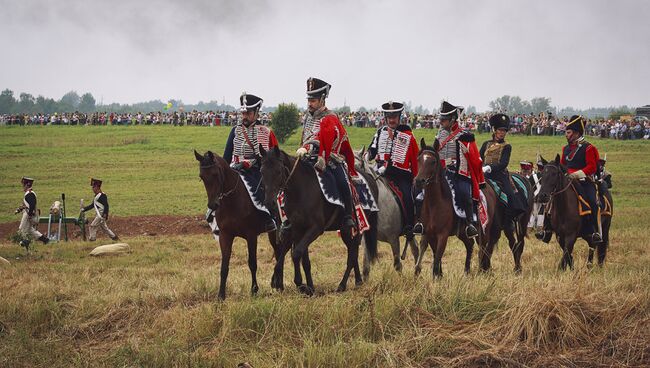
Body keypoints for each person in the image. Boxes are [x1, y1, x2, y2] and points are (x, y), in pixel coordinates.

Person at [294, 77, 360, 231]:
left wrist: (308, 147)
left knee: (343, 181)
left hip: (329, 158)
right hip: (307, 158)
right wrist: (303, 149)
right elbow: (306, 135)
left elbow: (322, 138)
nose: (310, 103)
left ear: (322, 100)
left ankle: (348, 216)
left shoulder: (330, 117)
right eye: (309, 100)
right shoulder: (309, 118)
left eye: (314, 100)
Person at [222, 92, 279, 233]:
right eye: (243, 113)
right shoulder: (235, 131)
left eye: (248, 113)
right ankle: (216, 220)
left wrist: (249, 163)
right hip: (234, 169)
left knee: (258, 191)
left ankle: (268, 219)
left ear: (256, 113)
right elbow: (226, 156)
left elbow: (270, 160)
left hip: (255, 171)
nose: (244, 116)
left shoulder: (265, 132)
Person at [367, 101, 419, 240]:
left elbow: (414, 157)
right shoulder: (380, 132)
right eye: (389, 117)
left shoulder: (406, 134)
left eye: (394, 117)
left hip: (399, 174)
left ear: (399, 117)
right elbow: (372, 149)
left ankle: (409, 226)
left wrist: (415, 175)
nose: (391, 120)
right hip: (378, 170)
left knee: (408, 196)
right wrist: (368, 155)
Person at [435, 101, 485, 238]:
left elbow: (474, 158)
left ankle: (470, 224)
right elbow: (435, 152)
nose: (441, 122)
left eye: (444, 119)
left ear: (452, 119)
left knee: (464, 193)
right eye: (440, 119)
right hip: (441, 172)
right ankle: (420, 221)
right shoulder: (440, 135)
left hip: (458, 173)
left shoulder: (464, 134)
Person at [479, 113, 526, 230]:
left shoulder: (507, 146)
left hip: (499, 174)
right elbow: (480, 158)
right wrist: (480, 166)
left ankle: (509, 221)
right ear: (494, 130)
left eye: (504, 131)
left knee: (510, 194)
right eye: (500, 130)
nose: (502, 133)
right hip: (484, 174)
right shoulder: (486, 144)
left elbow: (503, 163)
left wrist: (489, 168)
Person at [561, 115, 602, 244]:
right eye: (566, 132)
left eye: (568, 132)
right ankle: (547, 229)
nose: (566, 135)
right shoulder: (565, 149)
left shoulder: (588, 147)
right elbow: (563, 165)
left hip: (584, 182)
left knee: (592, 202)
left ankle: (595, 231)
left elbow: (592, 167)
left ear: (576, 133)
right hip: (567, 181)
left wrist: (576, 174)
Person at [16, 177, 49, 248]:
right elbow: (27, 205)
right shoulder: (29, 193)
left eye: (23, 185)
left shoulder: (30, 194)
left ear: (27, 185)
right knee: (30, 230)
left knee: (21, 230)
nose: (23, 187)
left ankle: (25, 242)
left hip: (28, 214)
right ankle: (45, 240)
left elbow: (32, 205)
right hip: (29, 214)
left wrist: (30, 215)